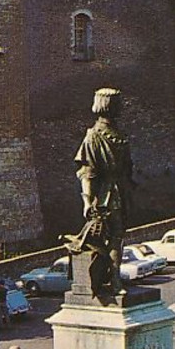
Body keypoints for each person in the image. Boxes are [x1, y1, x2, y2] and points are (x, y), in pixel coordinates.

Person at [71, 87, 135, 298]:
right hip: (107, 196)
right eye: (118, 103)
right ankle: (114, 280)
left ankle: (114, 278)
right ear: (109, 105)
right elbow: (87, 172)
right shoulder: (94, 137)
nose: (123, 106)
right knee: (113, 238)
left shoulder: (115, 133)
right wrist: (87, 202)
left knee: (117, 237)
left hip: (119, 190)